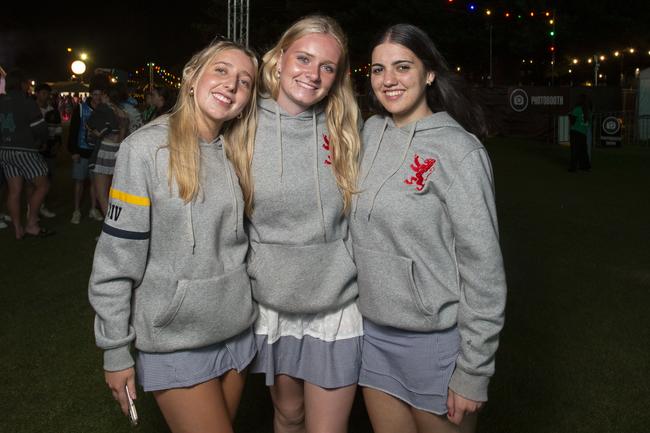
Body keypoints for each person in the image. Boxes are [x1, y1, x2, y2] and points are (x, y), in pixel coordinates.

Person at [88, 40, 260, 433]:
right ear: (191, 76)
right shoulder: (145, 149)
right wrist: (115, 350)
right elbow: (116, 259)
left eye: (245, 81)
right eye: (221, 70)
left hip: (236, 331)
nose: (232, 85)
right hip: (175, 339)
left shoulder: (238, 150)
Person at [350, 24, 507, 432]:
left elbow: (484, 272)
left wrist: (473, 371)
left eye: (403, 67)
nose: (389, 80)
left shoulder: (460, 151)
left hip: (436, 344)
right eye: (378, 69)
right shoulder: (369, 133)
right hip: (374, 337)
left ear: (429, 73)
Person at [247, 15, 362, 433]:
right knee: (288, 415)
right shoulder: (241, 123)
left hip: (335, 306)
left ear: (337, 77)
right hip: (273, 305)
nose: (312, 75)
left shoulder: (346, 128)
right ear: (279, 58)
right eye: (304, 58)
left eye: (327, 67)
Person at [0, 69, 53, 239]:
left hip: (4, 150)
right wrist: (44, 141)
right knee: (42, 185)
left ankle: (17, 229)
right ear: (22, 84)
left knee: (14, 190)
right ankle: (31, 224)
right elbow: (40, 129)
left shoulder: (1, 101)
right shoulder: (26, 102)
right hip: (24, 149)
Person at [67, 87, 102, 224]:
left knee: (94, 182)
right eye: (95, 94)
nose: (97, 97)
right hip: (81, 151)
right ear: (91, 95)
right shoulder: (81, 108)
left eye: (100, 94)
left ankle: (93, 209)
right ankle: (76, 210)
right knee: (79, 181)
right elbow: (73, 130)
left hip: (96, 152)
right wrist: (73, 151)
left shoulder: (103, 110)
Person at [34, 83, 62, 218]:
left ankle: (42, 206)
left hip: (49, 148)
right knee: (34, 180)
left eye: (47, 93)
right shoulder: (31, 109)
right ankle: (32, 208)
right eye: (43, 93)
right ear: (37, 93)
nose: (46, 96)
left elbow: (58, 130)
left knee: (48, 177)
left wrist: (56, 145)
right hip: (34, 149)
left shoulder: (53, 111)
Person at [568, 94, 592, 172]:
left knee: (574, 150)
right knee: (583, 150)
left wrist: (570, 115)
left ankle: (573, 168)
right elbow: (589, 123)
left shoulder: (577, 109)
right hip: (583, 132)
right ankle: (585, 166)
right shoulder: (588, 111)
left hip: (575, 131)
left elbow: (572, 122)